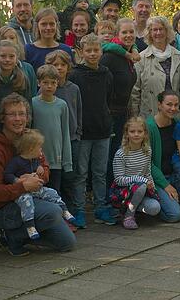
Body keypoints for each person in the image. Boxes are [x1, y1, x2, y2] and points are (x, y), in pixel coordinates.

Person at [0, 94, 76, 257]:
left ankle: (21, 236)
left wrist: (37, 177)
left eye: (22, 114)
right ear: (2, 118)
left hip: (34, 197)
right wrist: (22, 186)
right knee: (53, 212)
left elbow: (45, 168)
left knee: (67, 243)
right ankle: (10, 235)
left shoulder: (30, 139)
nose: (18, 119)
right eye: (12, 114)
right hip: (7, 208)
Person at [69, 34, 116, 225]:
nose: (92, 54)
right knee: (81, 174)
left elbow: (108, 99)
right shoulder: (75, 75)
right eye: (88, 50)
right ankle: (79, 209)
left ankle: (100, 207)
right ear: (81, 52)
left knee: (100, 172)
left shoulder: (106, 74)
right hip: (83, 131)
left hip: (103, 130)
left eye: (96, 50)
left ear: (101, 51)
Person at [4, 129, 75, 240]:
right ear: (31, 149)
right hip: (23, 191)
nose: (41, 150)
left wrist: (40, 169)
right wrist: (17, 180)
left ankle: (64, 209)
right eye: (39, 147)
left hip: (36, 189)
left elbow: (42, 169)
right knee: (27, 203)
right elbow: (7, 175)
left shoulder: (35, 159)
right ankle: (30, 225)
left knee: (52, 192)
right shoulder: (16, 161)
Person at [44, 50, 84, 227]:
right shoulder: (45, 90)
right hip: (52, 141)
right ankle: (56, 214)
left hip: (72, 139)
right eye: (55, 65)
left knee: (71, 176)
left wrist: (78, 132)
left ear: (69, 67)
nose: (59, 68)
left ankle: (73, 212)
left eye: (62, 65)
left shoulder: (73, 88)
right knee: (53, 179)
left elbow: (79, 112)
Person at [100, 18, 139, 191]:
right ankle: (108, 195)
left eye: (131, 32)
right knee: (110, 157)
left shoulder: (129, 56)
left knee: (118, 155)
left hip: (123, 113)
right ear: (117, 35)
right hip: (110, 114)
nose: (128, 35)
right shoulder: (110, 57)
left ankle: (118, 193)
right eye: (124, 32)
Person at [111, 117, 161, 229]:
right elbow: (119, 179)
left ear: (145, 134)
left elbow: (147, 173)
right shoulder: (121, 154)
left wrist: (152, 187)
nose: (136, 134)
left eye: (140, 131)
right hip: (123, 190)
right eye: (132, 132)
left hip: (142, 189)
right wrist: (142, 181)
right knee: (141, 186)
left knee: (154, 208)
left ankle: (132, 208)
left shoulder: (147, 150)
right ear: (127, 134)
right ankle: (129, 216)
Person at [130, 16, 180, 119]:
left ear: (167, 31)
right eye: (154, 30)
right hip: (150, 117)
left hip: (175, 116)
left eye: (161, 29)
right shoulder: (141, 58)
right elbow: (135, 93)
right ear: (149, 33)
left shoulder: (179, 57)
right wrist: (136, 118)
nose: (158, 33)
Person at [31, 65, 72, 191]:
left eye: (53, 83)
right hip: (37, 160)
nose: (49, 86)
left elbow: (65, 133)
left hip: (56, 160)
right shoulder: (32, 103)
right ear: (38, 83)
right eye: (45, 82)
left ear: (57, 83)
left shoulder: (62, 105)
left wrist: (67, 162)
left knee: (55, 193)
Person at [145, 91, 180, 222]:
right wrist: (165, 185)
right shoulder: (149, 127)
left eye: (176, 105)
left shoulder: (177, 124)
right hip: (157, 179)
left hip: (174, 175)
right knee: (175, 215)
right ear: (159, 105)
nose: (173, 109)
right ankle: (145, 203)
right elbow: (147, 163)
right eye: (169, 104)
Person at [0, 40, 37, 117]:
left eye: (11, 56)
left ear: (17, 58)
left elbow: (28, 108)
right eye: (3, 56)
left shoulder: (23, 80)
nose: (7, 60)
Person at [25, 7, 73, 72]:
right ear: (37, 26)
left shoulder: (66, 50)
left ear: (57, 25)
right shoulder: (28, 50)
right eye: (44, 24)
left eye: (51, 24)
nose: (48, 28)